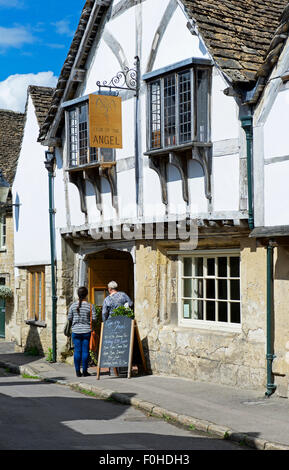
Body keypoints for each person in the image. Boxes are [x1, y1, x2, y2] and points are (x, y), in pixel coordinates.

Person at [68, 286, 96, 377]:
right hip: (86, 331)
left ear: (78, 295)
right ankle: (84, 371)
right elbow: (94, 318)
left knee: (77, 351)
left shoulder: (72, 306)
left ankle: (77, 371)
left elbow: (69, 318)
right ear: (86, 295)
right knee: (85, 351)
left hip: (76, 331)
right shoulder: (90, 306)